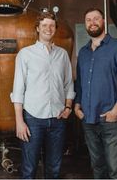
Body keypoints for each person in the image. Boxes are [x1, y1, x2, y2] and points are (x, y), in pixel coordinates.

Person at [10, 11, 75, 179]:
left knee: (54, 169)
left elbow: (69, 84)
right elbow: (18, 90)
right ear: (37, 29)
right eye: (44, 25)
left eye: (52, 25)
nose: (48, 28)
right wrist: (19, 121)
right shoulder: (25, 54)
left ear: (55, 29)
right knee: (29, 169)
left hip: (58, 118)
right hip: (33, 119)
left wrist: (68, 107)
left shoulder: (62, 55)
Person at [74, 8, 117, 179]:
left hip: (111, 120)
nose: (92, 22)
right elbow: (80, 83)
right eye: (88, 20)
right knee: (97, 166)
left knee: (115, 168)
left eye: (96, 19)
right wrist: (77, 105)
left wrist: (116, 111)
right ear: (85, 24)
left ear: (103, 22)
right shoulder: (84, 53)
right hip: (88, 119)